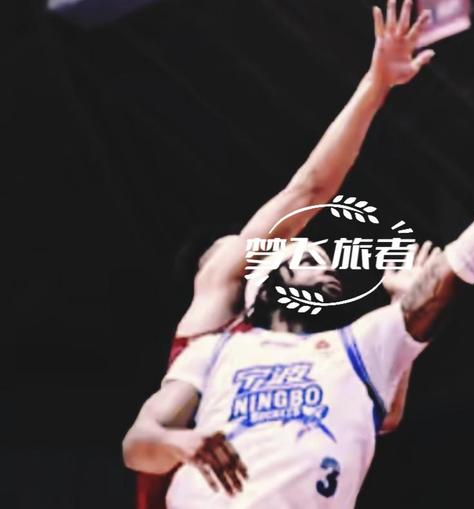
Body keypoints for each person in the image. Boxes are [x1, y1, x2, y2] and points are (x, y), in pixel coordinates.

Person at [124, 63, 474, 505]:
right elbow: (309, 189)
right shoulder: (214, 340)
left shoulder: (350, 347)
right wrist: (375, 83)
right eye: (306, 253)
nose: (327, 265)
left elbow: (463, 263)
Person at [132, 1, 435, 508]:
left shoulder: (306, 349)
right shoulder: (214, 321)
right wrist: (375, 85)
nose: (251, 245)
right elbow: (309, 189)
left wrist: (403, 315)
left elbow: (383, 415)